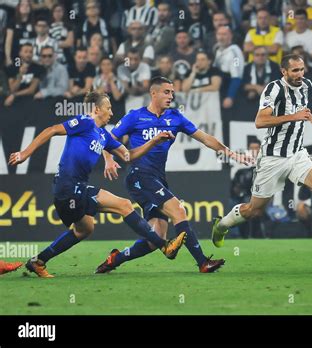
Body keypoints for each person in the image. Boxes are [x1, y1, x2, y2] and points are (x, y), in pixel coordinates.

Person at [8, 90, 187, 278]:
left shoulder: (103, 135)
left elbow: (129, 155)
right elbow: (51, 130)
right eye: (108, 108)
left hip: (77, 188)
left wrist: (154, 140)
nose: (111, 112)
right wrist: (24, 154)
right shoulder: (85, 122)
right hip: (67, 186)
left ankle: (38, 261)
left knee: (85, 229)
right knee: (124, 205)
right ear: (96, 109)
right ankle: (164, 246)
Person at [96, 77, 251, 273]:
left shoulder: (175, 118)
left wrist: (231, 153)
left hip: (157, 178)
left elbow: (205, 138)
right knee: (179, 210)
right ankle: (203, 262)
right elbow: (108, 138)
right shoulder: (135, 116)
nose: (171, 96)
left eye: (172, 92)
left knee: (155, 238)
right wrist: (109, 160)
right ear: (153, 93)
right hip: (139, 175)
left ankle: (115, 259)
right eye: (166, 92)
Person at [211, 54, 312, 259]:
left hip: (297, 153)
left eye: (302, 69)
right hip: (272, 158)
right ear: (284, 72)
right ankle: (222, 225)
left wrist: (311, 118)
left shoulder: (304, 85)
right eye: (295, 70)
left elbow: (300, 109)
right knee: (253, 210)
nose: (300, 74)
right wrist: (294, 117)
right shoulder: (273, 89)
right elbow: (260, 121)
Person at [230, 139, 263, 239]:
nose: (254, 150)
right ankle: (239, 235)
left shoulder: (265, 163)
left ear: (260, 149)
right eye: (251, 148)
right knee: (235, 203)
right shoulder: (241, 166)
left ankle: (255, 235)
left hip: (261, 196)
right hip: (243, 197)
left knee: (251, 204)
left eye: (256, 148)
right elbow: (234, 186)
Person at [213, 26, 245, 109]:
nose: (221, 37)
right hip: (219, 90)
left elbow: (237, 76)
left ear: (230, 36)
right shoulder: (217, 50)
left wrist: (230, 96)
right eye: (219, 34)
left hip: (229, 89)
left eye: (224, 34)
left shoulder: (235, 51)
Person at [4, 42, 44, 107]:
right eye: (26, 52)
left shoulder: (38, 68)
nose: (28, 54)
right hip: (14, 101)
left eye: (31, 52)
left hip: (30, 100)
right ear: (20, 53)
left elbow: (31, 90)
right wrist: (20, 74)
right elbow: (12, 89)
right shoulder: (12, 68)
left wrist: (14, 95)